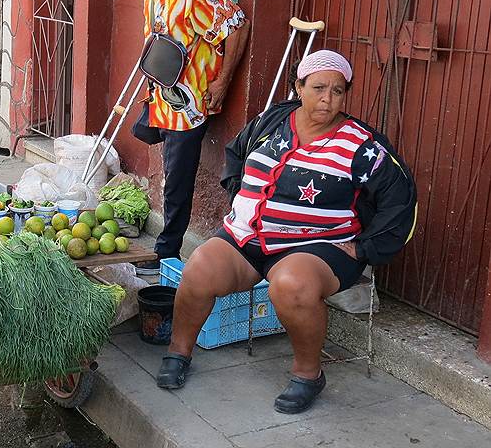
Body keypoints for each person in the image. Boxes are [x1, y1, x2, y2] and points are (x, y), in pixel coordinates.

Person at [156, 50, 417, 414]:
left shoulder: (362, 146)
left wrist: (365, 249)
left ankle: (308, 374)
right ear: (299, 87)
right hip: (249, 238)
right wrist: (242, 200)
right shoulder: (272, 121)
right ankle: (179, 351)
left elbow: (401, 198)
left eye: (338, 91)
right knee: (199, 266)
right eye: (319, 88)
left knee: (291, 284)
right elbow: (236, 153)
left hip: (316, 248)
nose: (327, 99)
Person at [134, 0, 250, 274]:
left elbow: (237, 27)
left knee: (178, 177)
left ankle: (167, 250)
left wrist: (223, 82)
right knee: (168, 166)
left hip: (190, 101)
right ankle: (166, 244)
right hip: (163, 93)